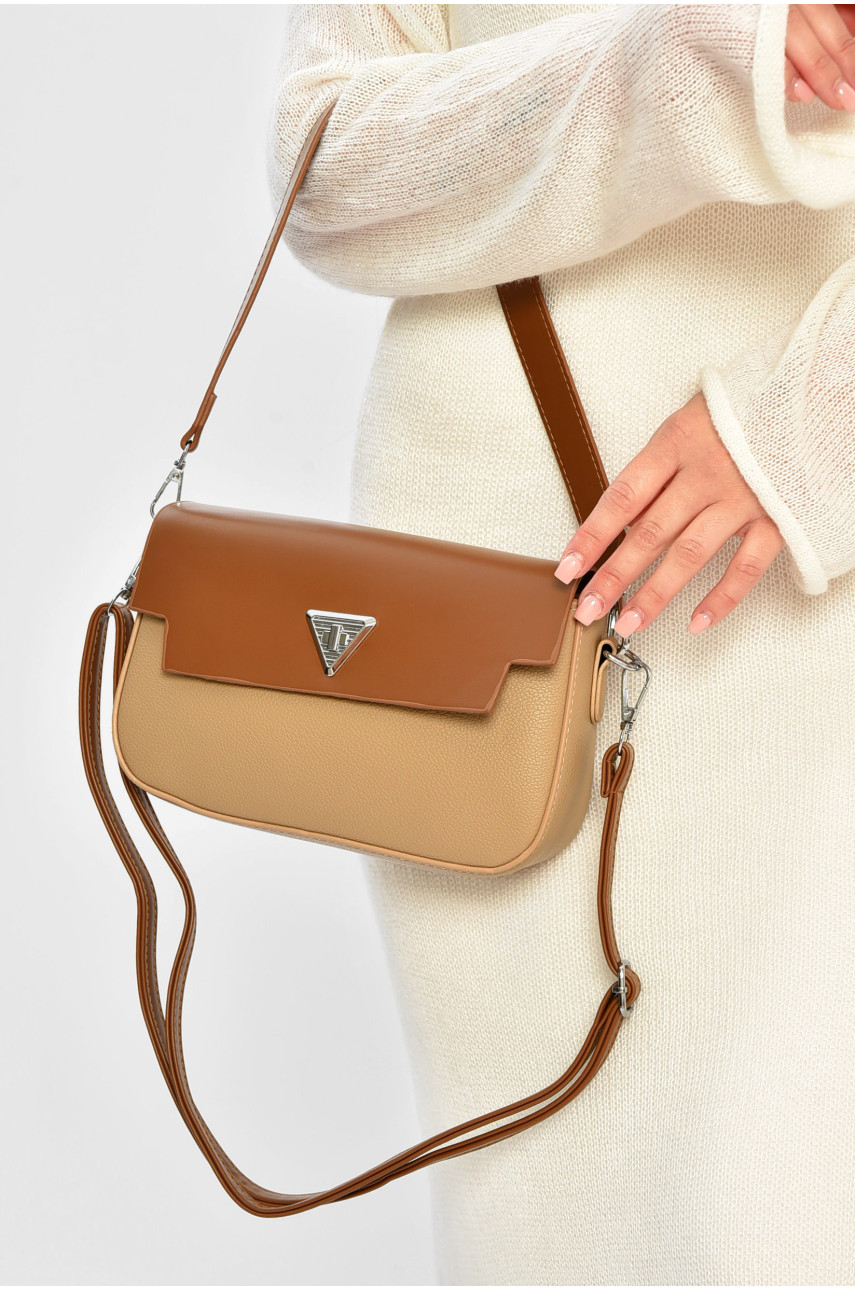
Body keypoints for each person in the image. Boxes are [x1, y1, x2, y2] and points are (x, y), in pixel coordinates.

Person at [269, 5, 855, 1283]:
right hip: (491, 573)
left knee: (771, 1197)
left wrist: (808, 431)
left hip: (810, 574)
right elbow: (323, 166)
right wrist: (673, 62)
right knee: (542, 1214)